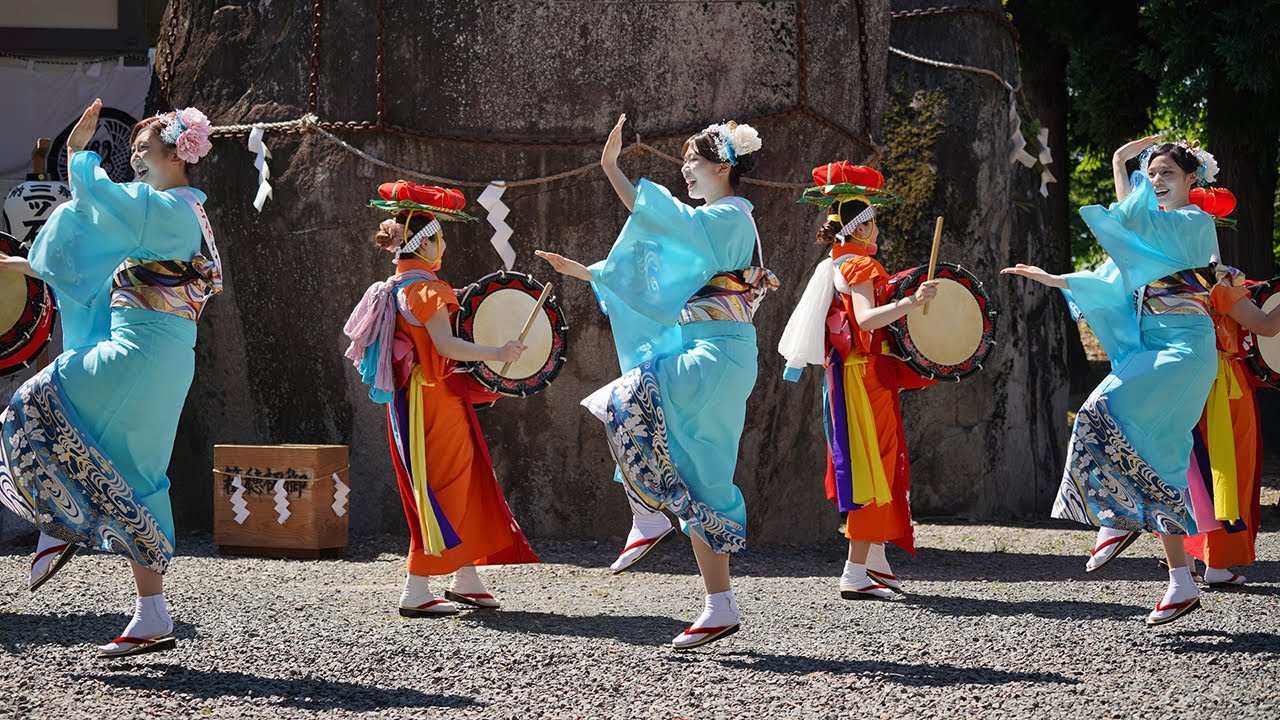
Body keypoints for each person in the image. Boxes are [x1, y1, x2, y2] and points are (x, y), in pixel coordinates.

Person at [536, 114, 777, 649]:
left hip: (716, 353)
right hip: (715, 351)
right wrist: (590, 273)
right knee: (698, 481)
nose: (685, 169)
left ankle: (646, 514)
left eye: (693, 161)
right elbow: (656, 259)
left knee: (623, 400)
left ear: (722, 167)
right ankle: (719, 605)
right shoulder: (718, 220)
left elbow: (664, 226)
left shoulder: (728, 217)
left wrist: (612, 169)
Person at [0, 99, 222, 656]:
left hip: (136, 352)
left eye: (143, 150)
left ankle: (58, 517)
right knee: (139, 476)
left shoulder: (162, 209)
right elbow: (93, 268)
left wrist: (78, 155)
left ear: (178, 154)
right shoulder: (180, 216)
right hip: (166, 358)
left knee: (34, 402)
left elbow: (101, 202)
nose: (135, 159)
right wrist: (23, 266)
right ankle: (152, 614)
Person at [1003, 136, 1222, 625]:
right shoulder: (1155, 233)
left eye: (1167, 173)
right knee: (1161, 461)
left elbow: (1131, 222)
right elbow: (1113, 272)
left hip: (1184, 349)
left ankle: (1117, 517)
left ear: (1192, 179)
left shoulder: (1193, 223)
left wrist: (1124, 164)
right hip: (1156, 348)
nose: (1157, 181)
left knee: (1097, 411)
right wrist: (1057, 280)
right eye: (1153, 173)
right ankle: (1181, 581)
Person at [343, 180, 538, 618]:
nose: (445, 246)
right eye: (441, 238)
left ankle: (466, 578)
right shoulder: (428, 290)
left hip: (413, 401)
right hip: (434, 402)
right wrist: (498, 352)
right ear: (425, 243)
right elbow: (447, 346)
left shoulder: (395, 287)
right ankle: (415, 587)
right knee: (444, 486)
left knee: (456, 481)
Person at [777, 162, 939, 600]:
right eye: (874, 223)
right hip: (863, 377)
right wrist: (913, 301)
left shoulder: (837, 262)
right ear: (860, 226)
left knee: (874, 462)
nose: (877, 230)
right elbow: (866, 319)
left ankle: (875, 560)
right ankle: (854, 571)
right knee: (873, 467)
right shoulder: (860, 266)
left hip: (852, 374)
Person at [1180, 185, 1278, 588]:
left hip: (1180, 383)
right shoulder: (1218, 282)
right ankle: (1217, 563)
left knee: (1188, 469)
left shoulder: (1165, 279)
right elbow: (1265, 326)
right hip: (1223, 386)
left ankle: (1188, 559)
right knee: (1225, 468)